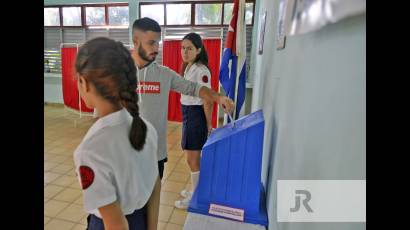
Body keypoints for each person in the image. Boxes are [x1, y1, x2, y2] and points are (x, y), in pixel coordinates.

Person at [131, 17, 234, 180]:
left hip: (155, 153)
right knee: (130, 203)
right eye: (151, 43)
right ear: (136, 41)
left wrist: (219, 97)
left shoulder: (165, 74)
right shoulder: (119, 73)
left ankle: (196, 192)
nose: (156, 48)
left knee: (152, 202)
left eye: (158, 43)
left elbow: (195, 89)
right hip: (128, 155)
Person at [73, 37, 160, 230]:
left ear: (84, 83)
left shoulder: (90, 151)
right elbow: (155, 186)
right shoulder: (147, 129)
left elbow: (116, 225)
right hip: (143, 221)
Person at [174, 33, 212, 209]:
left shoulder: (201, 70)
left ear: (198, 49)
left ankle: (197, 199)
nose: (185, 51)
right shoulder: (188, 67)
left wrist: (209, 124)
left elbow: (208, 99)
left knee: (192, 159)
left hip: (196, 115)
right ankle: (197, 191)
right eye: (183, 48)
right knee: (192, 158)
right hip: (188, 114)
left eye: (189, 48)